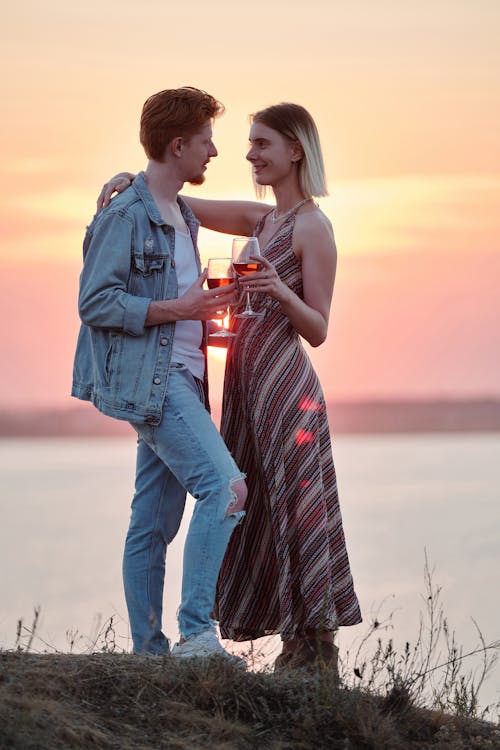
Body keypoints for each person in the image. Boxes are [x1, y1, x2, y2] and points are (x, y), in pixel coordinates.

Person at [98, 102, 361, 672]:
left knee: (294, 507)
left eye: (262, 144)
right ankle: (281, 648)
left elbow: (317, 329)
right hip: (244, 387)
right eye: (247, 144)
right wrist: (130, 182)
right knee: (261, 506)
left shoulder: (314, 225)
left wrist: (276, 290)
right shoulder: (263, 220)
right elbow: (175, 199)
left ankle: (313, 652)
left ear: (295, 151)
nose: (248, 155)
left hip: (284, 387)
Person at [72, 87, 248, 663]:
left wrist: (211, 317)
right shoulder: (124, 213)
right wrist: (181, 309)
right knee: (226, 489)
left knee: (152, 523)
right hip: (157, 382)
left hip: (187, 381)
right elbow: (95, 303)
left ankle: (149, 653)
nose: (214, 152)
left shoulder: (183, 213)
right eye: (205, 141)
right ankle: (197, 634)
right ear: (178, 145)